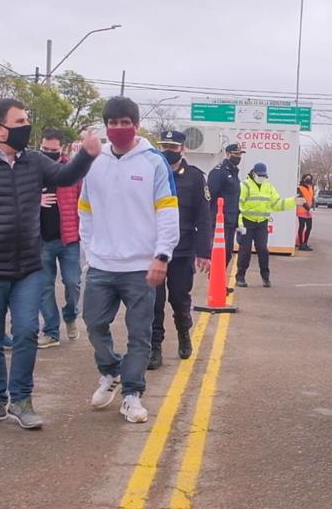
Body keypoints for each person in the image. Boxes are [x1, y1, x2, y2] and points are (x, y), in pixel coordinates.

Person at [0, 98, 101, 430]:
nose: (26, 126)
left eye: (27, 119)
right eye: (20, 121)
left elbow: (65, 175)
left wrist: (86, 153)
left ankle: (22, 400)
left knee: (27, 331)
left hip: (28, 266)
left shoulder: (34, 161)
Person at [79, 97, 179, 423]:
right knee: (93, 324)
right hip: (102, 264)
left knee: (140, 335)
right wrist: (89, 251)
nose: (119, 129)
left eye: (125, 123)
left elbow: (167, 212)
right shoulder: (95, 161)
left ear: (136, 125)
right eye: (113, 123)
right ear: (106, 126)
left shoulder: (153, 162)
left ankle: (132, 394)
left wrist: (162, 256)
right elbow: (86, 210)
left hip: (141, 266)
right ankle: (110, 371)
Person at [148, 130, 212, 370]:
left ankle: (184, 333)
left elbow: (204, 218)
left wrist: (203, 252)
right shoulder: (152, 173)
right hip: (154, 249)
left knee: (178, 299)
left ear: (182, 150)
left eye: (173, 147)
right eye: (164, 146)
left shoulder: (195, 178)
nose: (167, 151)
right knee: (154, 302)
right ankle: (155, 347)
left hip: (182, 250)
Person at [36, 130, 83, 348]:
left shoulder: (71, 171)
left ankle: (71, 315)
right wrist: (36, 199)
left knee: (73, 283)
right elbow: (14, 195)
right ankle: (51, 331)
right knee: (44, 287)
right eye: (45, 150)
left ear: (61, 150)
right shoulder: (30, 170)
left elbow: (84, 202)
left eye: (53, 151)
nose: (49, 154)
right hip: (41, 240)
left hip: (69, 240)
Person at [235, 162, 302, 288]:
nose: (261, 177)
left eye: (264, 176)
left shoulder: (269, 187)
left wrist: (293, 201)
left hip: (261, 223)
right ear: (253, 174)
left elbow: (277, 204)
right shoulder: (245, 186)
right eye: (259, 175)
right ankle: (240, 277)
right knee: (245, 251)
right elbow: (238, 207)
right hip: (246, 222)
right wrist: (240, 224)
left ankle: (265, 277)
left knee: (263, 250)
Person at [206, 143, 245, 267]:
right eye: (236, 154)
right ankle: (213, 282)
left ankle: (219, 282)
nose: (238, 157)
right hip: (220, 221)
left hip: (231, 221)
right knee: (218, 253)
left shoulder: (233, 172)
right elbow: (210, 196)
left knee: (227, 254)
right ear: (228, 154)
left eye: (240, 154)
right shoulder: (219, 172)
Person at [296, 173, 315, 251]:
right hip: (302, 210)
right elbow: (301, 200)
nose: (309, 179)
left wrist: (313, 206)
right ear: (304, 179)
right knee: (302, 226)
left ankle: (305, 243)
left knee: (309, 227)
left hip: (309, 211)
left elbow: (312, 198)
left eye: (310, 178)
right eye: (307, 178)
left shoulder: (311, 188)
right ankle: (301, 244)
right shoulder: (299, 188)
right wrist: (308, 209)